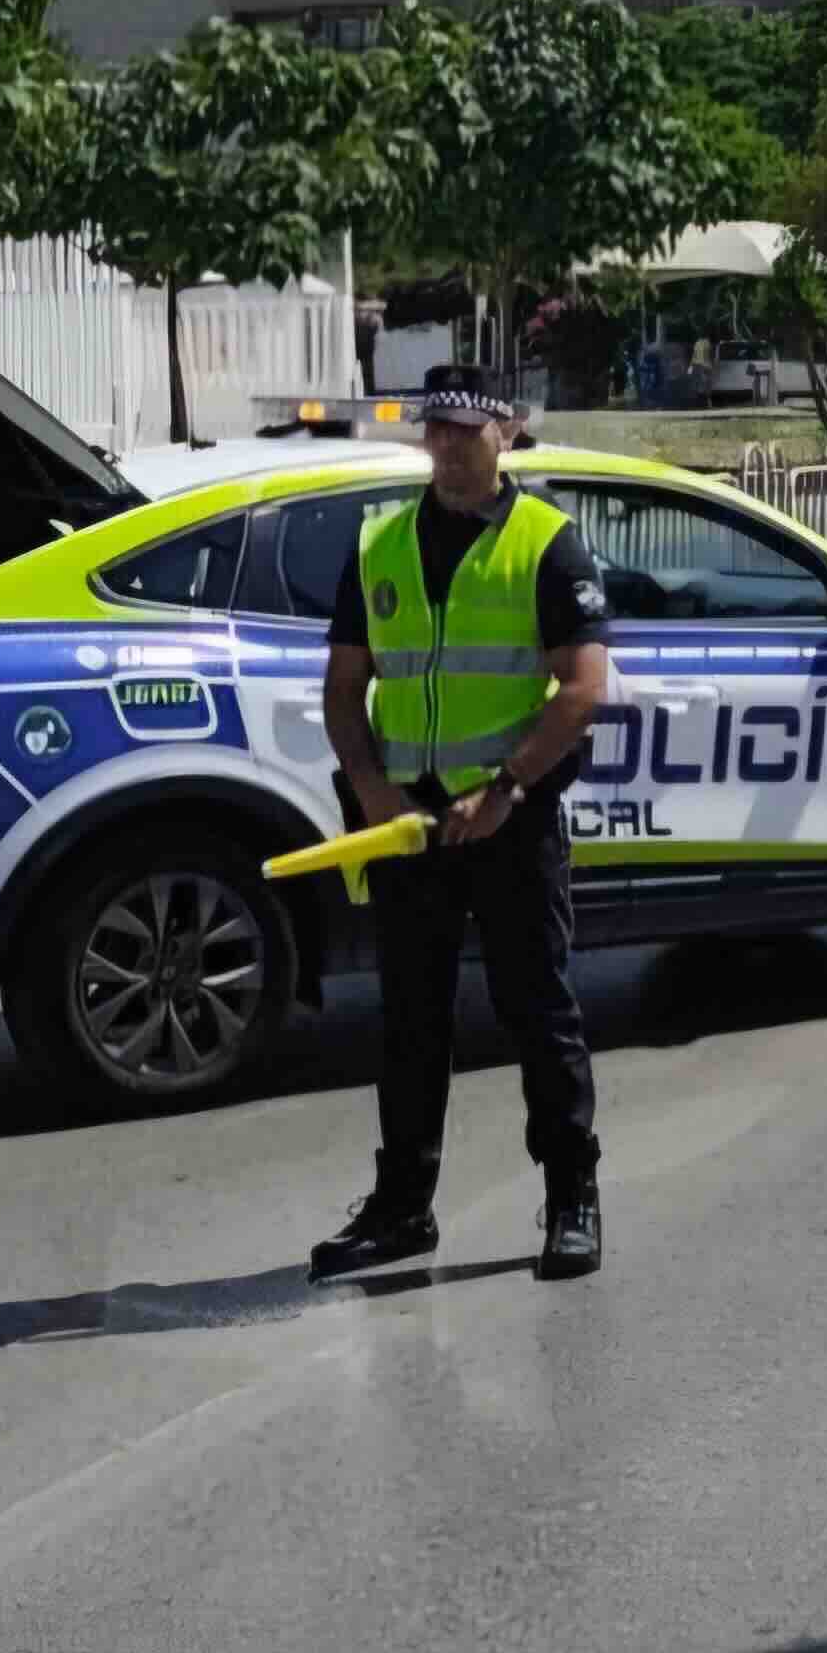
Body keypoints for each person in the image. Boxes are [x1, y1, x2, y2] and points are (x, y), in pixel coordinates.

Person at [311, 364, 616, 1284]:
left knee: (538, 1012)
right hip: (410, 828)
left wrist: (508, 790)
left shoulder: (547, 544)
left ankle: (572, 1198)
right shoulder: (380, 547)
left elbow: (584, 687)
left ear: (507, 432)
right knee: (409, 1022)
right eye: (435, 428)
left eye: (466, 428)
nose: (447, 443)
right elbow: (344, 688)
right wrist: (370, 786)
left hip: (511, 821)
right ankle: (403, 1209)